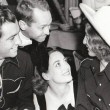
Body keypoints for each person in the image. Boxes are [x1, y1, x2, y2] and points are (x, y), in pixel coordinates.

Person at [0, 5, 35, 110]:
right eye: (12, 38)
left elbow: (26, 99)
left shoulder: (24, 61)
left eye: (18, 34)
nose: (19, 42)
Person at [76, 22, 110, 110]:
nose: (83, 42)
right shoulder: (86, 68)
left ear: (98, 40)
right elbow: (81, 106)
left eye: (87, 37)